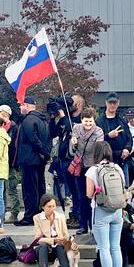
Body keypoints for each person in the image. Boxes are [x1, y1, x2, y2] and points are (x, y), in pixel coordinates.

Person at [85, 141, 125, 267]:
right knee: (116, 247)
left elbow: (89, 194)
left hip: (101, 211)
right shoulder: (117, 168)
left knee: (104, 248)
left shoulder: (92, 170)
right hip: (117, 211)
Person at [14, 96, 51, 226]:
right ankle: (39, 213)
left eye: (21, 105)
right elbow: (47, 139)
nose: (19, 107)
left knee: (30, 189)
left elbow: (33, 139)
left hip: (30, 159)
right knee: (39, 187)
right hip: (39, 160)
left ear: (27, 105)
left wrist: (43, 152)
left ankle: (30, 216)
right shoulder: (43, 120)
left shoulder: (28, 120)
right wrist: (45, 153)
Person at [50, 95, 84, 228]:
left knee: (77, 190)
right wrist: (53, 118)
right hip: (63, 160)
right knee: (71, 189)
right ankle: (74, 214)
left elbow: (73, 130)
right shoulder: (64, 119)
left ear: (78, 104)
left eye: (71, 102)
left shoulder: (79, 120)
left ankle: (78, 215)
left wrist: (64, 116)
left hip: (74, 160)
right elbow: (53, 133)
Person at [69, 107, 104, 234]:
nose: (88, 124)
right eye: (86, 121)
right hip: (80, 166)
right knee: (81, 196)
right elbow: (72, 150)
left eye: (90, 121)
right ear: (81, 120)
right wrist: (73, 143)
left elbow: (99, 150)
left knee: (92, 197)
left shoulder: (99, 131)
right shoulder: (76, 128)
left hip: (92, 166)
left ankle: (94, 225)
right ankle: (83, 224)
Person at [33, 194, 72, 267]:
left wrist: (64, 239)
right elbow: (38, 238)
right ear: (43, 207)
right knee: (43, 245)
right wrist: (52, 240)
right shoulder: (37, 218)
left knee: (59, 246)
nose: (52, 209)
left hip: (58, 249)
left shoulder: (61, 217)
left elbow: (65, 234)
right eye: (49, 207)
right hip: (44, 249)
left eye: (53, 206)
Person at [96, 92, 133, 185]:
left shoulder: (122, 120)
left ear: (118, 103)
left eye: (114, 103)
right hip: (105, 162)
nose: (112, 105)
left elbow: (130, 139)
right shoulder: (99, 122)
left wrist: (127, 149)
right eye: (110, 103)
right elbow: (96, 142)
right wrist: (108, 136)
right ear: (106, 103)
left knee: (124, 187)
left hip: (122, 160)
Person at [0, 104, 21, 223]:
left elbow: (11, 144)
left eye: (0, 112)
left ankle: (14, 212)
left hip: (10, 162)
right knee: (2, 190)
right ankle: (2, 212)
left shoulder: (13, 127)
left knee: (11, 188)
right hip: (1, 162)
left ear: (5, 114)